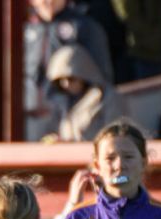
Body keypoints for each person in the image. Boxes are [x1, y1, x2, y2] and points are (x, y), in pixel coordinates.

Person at [24, 0, 113, 141]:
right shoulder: (21, 28)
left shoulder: (85, 28)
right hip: (26, 120)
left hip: (69, 124)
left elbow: (102, 81)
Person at [43, 44, 126, 143]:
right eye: (61, 80)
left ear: (84, 75)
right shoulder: (59, 103)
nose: (66, 84)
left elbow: (118, 135)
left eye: (71, 79)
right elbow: (50, 132)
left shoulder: (108, 98)